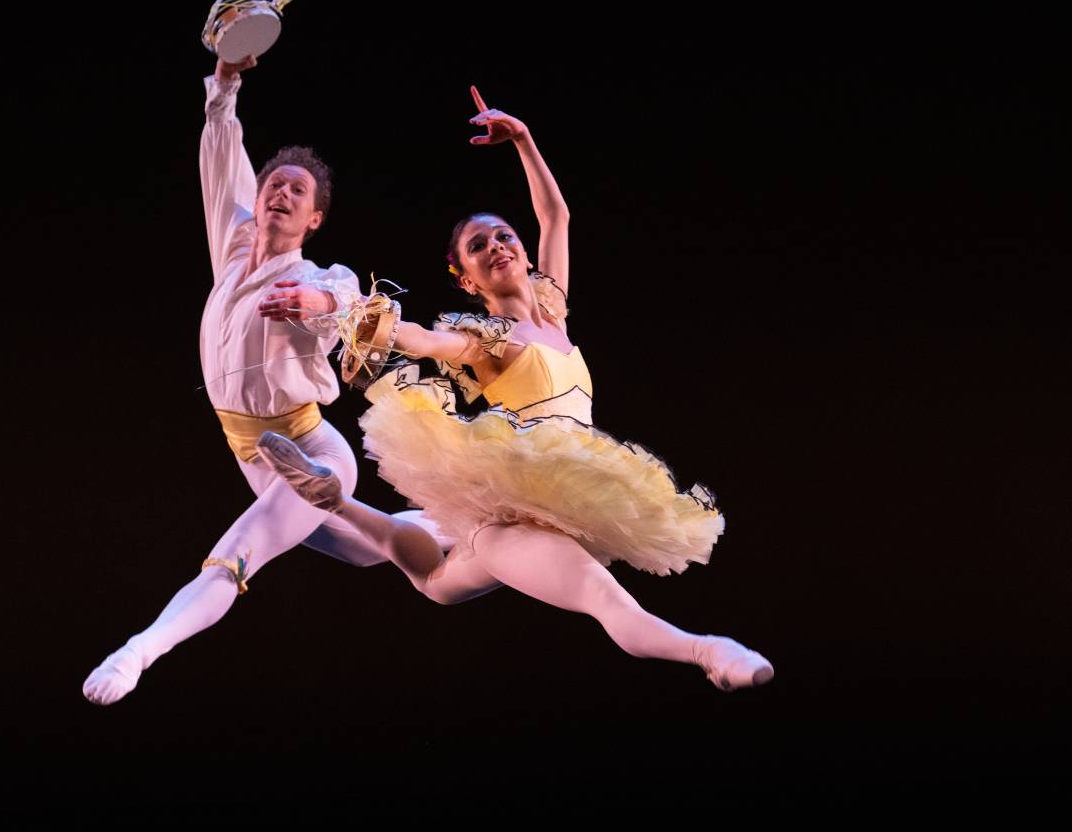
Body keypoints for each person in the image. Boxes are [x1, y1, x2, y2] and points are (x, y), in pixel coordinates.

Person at [257, 87, 773, 691]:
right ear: (466, 278)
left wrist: (524, 140)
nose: (497, 247)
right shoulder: (488, 339)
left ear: (522, 253)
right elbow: (424, 340)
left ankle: (329, 501)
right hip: (514, 500)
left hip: (559, 494)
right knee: (570, 596)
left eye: (503, 237)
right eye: (479, 247)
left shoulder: (553, 313)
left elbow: (557, 217)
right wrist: (351, 313)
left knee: (437, 585)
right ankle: (708, 651)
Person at [82, 54, 437, 705]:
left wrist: (320, 307)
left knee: (238, 552)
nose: (280, 191)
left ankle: (140, 651)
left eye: (297, 191)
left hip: (310, 449)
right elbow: (221, 148)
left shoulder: (315, 276)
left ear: (315, 220)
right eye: (274, 182)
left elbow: (350, 302)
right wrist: (225, 80)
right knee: (363, 550)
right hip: (252, 454)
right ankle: (459, 524)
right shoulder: (234, 243)